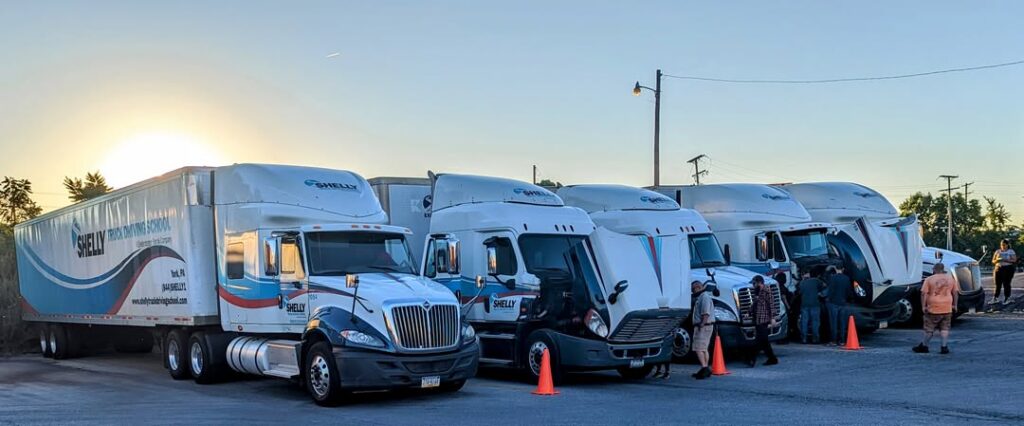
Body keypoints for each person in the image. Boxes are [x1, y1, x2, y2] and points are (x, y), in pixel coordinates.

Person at [913, 263, 958, 354]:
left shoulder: (929, 279)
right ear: (943, 269)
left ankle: (924, 346)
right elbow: (955, 293)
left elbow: (923, 293)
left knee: (929, 328)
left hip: (933, 307)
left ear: (934, 269)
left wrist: (923, 306)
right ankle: (944, 347)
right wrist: (955, 305)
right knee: (945, 328)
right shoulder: (950, 279)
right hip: (947, 306)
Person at [746, 275, 779, 366]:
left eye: (754, 283)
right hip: (757, 318)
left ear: (759, 282)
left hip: (763, 319)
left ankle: (752, 358)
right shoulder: (757, 291)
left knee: (759, 340)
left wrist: (773, 318)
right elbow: (755, 304)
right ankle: (772, 358)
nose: (753, 285)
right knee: (764, 341)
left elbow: (771, 304)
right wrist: (749, 312)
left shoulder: (766, 291)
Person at [690, 280, 715, 379]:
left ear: (697, 287)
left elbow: (706, 313)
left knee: (698, 348)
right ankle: (705, 367)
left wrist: (702, 324)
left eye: (693, 289)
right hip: (707, 326)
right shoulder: (703, 297)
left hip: (703, 326)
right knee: (704, 348)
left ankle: (704, 368)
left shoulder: (704, 297)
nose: (693, 291)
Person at [825, 265, 856, 346]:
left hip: (833, 303)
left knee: (833, 323)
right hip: (843, 303)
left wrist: (828, 299)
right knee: (842, 323)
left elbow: (830, 290)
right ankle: (842, 341)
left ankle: (833, 341)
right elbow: (849, 291)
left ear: (835, 269)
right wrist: (849, 299)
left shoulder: (833, 278)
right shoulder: (846, 278)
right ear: (843, 269)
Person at [797, 269, 825, 344]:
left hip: (804, 305)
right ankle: (815, 339)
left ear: (803, 275)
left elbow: (799, 292)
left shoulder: (801, 283)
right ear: (809, 274)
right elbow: (824, 287)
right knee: (815, 322)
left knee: (804, 322)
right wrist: (820, 293)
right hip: (815, 304)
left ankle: (804, 339)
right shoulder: (816, 281)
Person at [991, 239, 1018, 305]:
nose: (1002, 246)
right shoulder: (998, 251)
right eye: (1001, 245)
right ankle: (995, 298)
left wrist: (1005, 259)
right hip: (998, 268)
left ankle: (1007, 298)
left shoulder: (1011, 251)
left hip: (1008, 268)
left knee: (1006, 283)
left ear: (1007, 245)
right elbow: (993, 261)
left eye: (1004, 245)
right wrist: (997, 260)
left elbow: (1014, 260)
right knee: (997, 284)